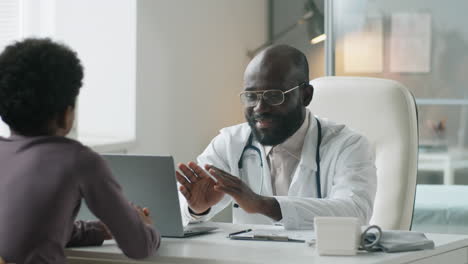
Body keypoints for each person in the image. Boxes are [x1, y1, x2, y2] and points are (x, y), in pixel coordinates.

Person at [176, 45, 377, 230]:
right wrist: (197, 208)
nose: (259, 108)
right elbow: (181, 209)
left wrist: (263, 204)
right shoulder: (230, 142)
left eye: (274, 96)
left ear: (305, 95)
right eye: (251, 96)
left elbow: (355, 213)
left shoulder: (348, 145)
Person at [0, 38, 160, 263]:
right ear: (67, 114)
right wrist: (147, 228)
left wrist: (98, 231)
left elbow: (35, 231)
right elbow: (139, 247)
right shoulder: (78, 160)